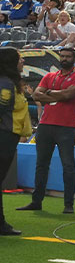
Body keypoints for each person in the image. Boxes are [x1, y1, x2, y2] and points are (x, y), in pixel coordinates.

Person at [18, 46, 75, 214]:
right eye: (62, 56)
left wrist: (48, 93)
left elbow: (68, 95)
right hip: (46, 125)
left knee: (68, 166)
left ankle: (68, 204)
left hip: (65, 127)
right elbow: (36, 95)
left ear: (74, 59)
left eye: (67, 56)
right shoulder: (50, 76)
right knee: (41, 165)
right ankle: (36, 201)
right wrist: (58, 94)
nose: (64, 59)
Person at [0, 48, 30, 235]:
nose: (23, 61)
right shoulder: (6, 84)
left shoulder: (9, 82)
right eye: (20, 59)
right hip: (4, 136)